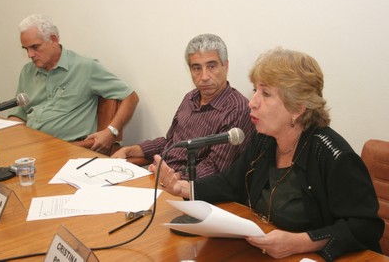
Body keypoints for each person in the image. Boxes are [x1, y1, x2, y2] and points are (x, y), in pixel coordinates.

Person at [153, 47, 384, 261]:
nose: (252, 103)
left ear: (298, 107)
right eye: (255, 91)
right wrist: (182, 187)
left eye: (266, 94)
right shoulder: (264, 139)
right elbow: (231, 183)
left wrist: (302, 242)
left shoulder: (333, 155)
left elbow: (365, 226)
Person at [112, 34, 253, 180]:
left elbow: (215, 169)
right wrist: (130, 150)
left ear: (226, 66)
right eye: (197, 68)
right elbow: (170, 143)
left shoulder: (237, 109)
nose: (204, 76)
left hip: (192, 190)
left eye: (211, 66)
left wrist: (173, 178)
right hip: (162, 178)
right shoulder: (190, 97)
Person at [7, 14, 139, 154]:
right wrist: (10, 137)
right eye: (26, 49)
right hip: (32, 148)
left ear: (53, 40)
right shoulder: (27, 71)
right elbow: (20, 113)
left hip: (69, 150)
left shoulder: (85, 68)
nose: (30, 55)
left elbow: (130, 97)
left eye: (35, 47)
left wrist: (111, 131)